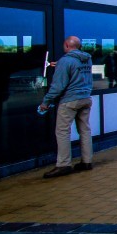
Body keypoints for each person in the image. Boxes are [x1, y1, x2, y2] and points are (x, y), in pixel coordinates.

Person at [38, 36, 94, 179]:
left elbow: (58, 86)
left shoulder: (66, 61)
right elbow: (75, 69)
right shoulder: (87, 59)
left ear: (66, 45)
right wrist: (60, 64)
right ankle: (87, 162)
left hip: (70, 100)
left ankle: (63, 165)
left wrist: (46, 102)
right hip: (86, 98)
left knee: (62, 132)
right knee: (85, 130)